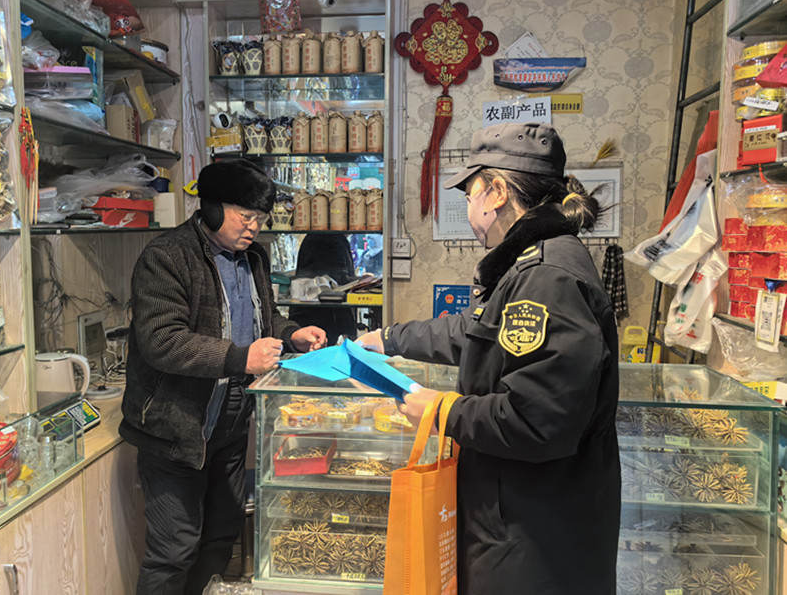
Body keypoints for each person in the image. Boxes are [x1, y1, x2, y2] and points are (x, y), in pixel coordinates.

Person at [357, 123, 620, 594]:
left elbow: (538, 420)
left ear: (496, 192)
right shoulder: (531, 262)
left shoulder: (547, 277)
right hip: (518, 512)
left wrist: (441, 410)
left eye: (469, 194)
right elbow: (475, 333)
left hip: (533, 534)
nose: (468, 211)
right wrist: (389, 338)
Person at [120, 159, 327, 595]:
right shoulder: (167, 257)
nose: (254, 228)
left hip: (230, 429)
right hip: (177, 432)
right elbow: (162, 341)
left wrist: (291, 334)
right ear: (212, 208)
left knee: (220, 535)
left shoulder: (254, 257)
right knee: (174, 550)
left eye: (261, 219)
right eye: (245, 216)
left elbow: (264, 318)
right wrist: (239, 358)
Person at [289, 233, 359, 345]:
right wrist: (358, 282)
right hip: (325, 315)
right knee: (320, 346)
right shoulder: (333, 239)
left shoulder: (314, 237)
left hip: (307, 310)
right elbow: (335, 279)